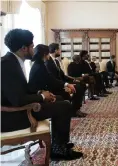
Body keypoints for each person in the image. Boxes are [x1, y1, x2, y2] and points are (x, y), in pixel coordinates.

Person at [1, 29, 83, 160]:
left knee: (60, 100)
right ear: (24, 48)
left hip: (18, 110)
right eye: (32, 46)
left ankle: (59, 144)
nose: (33, 49)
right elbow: (17, 99)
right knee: (64, 106)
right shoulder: (7, 65)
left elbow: (21, 91)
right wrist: (42, 97)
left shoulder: (12, 61)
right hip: (12, 116)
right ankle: (58, 150)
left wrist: (41, 93)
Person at [45, 43, 86, 115]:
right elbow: (52, 79)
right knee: (78, 88)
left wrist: (73, 80)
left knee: (81, 84)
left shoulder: (56, 61)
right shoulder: (48, 62)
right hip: (56, 86)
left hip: (62, 82)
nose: (60, 51)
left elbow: (62, 75)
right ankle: (75, 110)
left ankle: (75, 108)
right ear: (55, 50)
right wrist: (66, 85)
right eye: (59, 50)